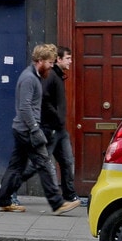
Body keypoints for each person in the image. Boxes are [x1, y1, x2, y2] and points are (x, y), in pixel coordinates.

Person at [0, 44, 80, 215]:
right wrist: (35, 129)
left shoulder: (33, 76)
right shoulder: (29, 79)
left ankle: (3, 201)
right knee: (44, 164)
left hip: (22, 129)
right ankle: (57, 204)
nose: (51, 65)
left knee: (16, 167)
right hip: (27, 130)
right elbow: (25, 107)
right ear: (40, 61)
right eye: (49, 62)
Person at [42, 46, 78, 205]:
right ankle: (10, 191)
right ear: (59, 59)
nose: (71, 61)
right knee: (38, 163)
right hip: (50, 128)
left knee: (67, 161)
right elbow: (44, 100)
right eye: (68, 58)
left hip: (60, 129)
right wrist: (56, 117)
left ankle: (69, 195)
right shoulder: (51, 76)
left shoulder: (58, 75)